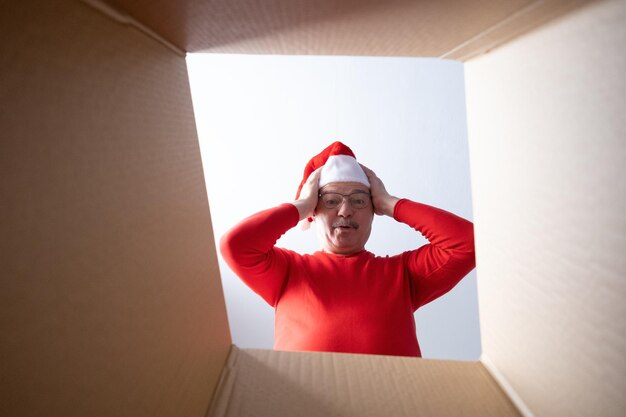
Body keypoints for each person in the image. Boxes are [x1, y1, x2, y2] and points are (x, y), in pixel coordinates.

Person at [220, 141, 475, 357]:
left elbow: (468, 243)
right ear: (314, 212)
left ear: (374, 210)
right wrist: (300, 206)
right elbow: (236, 245)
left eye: (359, 200)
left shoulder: (403, 274)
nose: (345, 210)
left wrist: (391, 203)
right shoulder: (288, 272)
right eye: (330, 201)